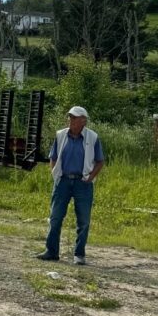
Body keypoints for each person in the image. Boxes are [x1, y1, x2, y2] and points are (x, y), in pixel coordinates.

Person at [37, 105, 104, 265]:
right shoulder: (60, 135)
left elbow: (100, 161)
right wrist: (55, 174)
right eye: (70, 117)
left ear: (83, 121)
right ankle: (51, 251)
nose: (71, 120)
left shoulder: (92, 137)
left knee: (84, 220)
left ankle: (79, 254)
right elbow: (53, 156)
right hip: (63, 181)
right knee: (55, 217)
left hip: (83, 183)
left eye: (74, 118)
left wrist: (90, 178)